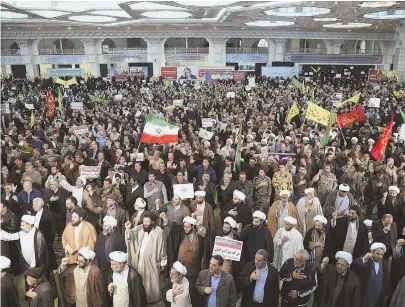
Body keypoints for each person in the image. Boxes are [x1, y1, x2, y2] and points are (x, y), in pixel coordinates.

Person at [125, 210, 167, 303]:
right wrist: (128, 229)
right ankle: (141, 300)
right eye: (144, 221)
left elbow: (162, 249)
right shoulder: (140, 228)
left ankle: (151, 301)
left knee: (150, 285)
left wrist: (162, 263)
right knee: (140, 283)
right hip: (140, 263)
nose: (145, 224)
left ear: (152, 222)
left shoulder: (159, 232)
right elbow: (131, 236)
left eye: (147, 222)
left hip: (151, 263)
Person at [352, 243, 390, 307]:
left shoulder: (384, 265)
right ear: (372, 252)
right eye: (378, 254)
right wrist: (364, 259)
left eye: (382, 254)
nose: (380, 256)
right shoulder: (366, 260)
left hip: (377, 298)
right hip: (363, 296)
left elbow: (386, 281)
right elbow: (356, 265)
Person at [94, 216, 126, 281]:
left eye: (106, 226)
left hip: (114, 271)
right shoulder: (101, 235)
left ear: (112, 227)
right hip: (102, 269)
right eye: (103, 225)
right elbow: (97, 251)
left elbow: (122, 256)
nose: (103, 228)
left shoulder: (119, 238)